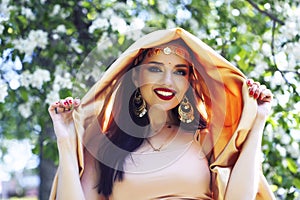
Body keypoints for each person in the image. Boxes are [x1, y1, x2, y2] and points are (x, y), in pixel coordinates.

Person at [48, 27, 275, 200]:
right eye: (155, 68)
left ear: (188, 82)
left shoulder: (206, 137)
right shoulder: (103, 144)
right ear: (136, 76)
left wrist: (258, 121)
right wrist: (66, 141)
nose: (168, 82)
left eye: (179, 71)